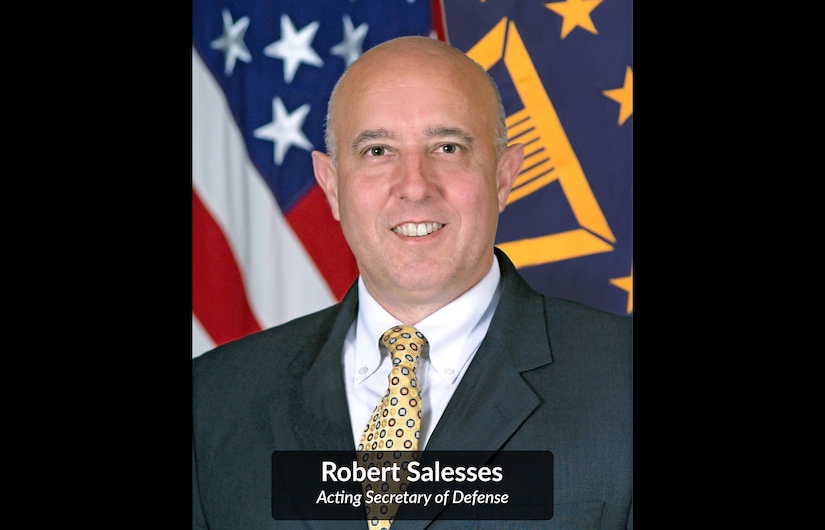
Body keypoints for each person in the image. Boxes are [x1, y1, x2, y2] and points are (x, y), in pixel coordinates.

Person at [192, 35, 632, 530]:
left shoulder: (622, 383)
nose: (415, 186)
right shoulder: (211, 402)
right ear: (331, 186)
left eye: (447, 147)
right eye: (378, 150)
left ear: (504, 177)